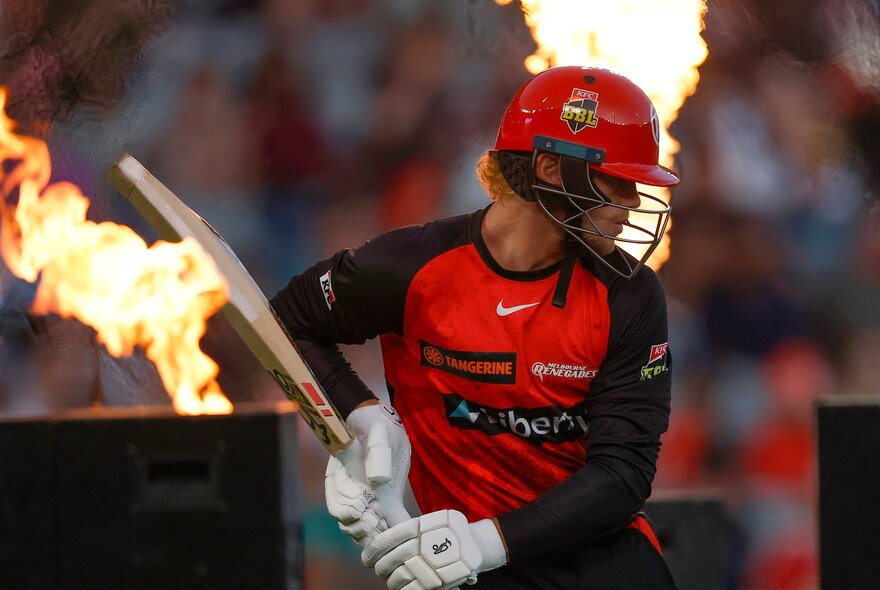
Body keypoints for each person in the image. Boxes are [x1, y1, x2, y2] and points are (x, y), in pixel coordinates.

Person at [271, 65, 678, 589]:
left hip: (597, 569)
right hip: (465, 572)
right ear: (551, 169)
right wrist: (360, 417)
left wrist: (482, 542)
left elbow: (622, 476)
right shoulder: (411, 267)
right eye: (616, 181)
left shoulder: (631, 296)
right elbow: (287, 321)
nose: (631, 203)